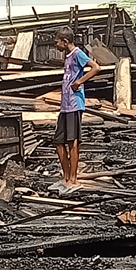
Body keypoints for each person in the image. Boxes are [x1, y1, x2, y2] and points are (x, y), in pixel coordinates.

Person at [49, 26, 100, 195]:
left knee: (73, 142)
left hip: (75, 104)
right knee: (58, 141)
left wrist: (80, 82)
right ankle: (65, 177)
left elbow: (96, 67)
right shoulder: (68, 56)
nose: (55, 45)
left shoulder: (78, 53)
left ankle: (73, 179)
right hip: (65, 105)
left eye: (57, 42)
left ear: (65, 41)